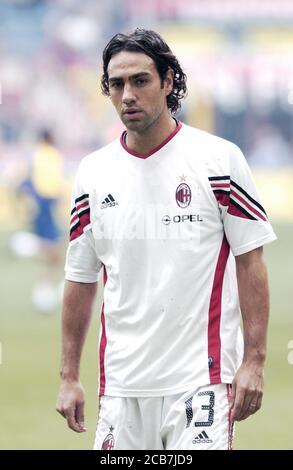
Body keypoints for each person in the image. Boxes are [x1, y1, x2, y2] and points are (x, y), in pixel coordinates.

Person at [56, 29, 277, 450]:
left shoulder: (219, 160)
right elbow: (81, 279)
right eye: (116, 84)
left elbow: (251, 261)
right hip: (122, 388)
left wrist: (254, 360)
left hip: (201, 383)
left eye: (140, 80)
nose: (127, 95)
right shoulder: (93, 173)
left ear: (169, 81)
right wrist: (68, 377)